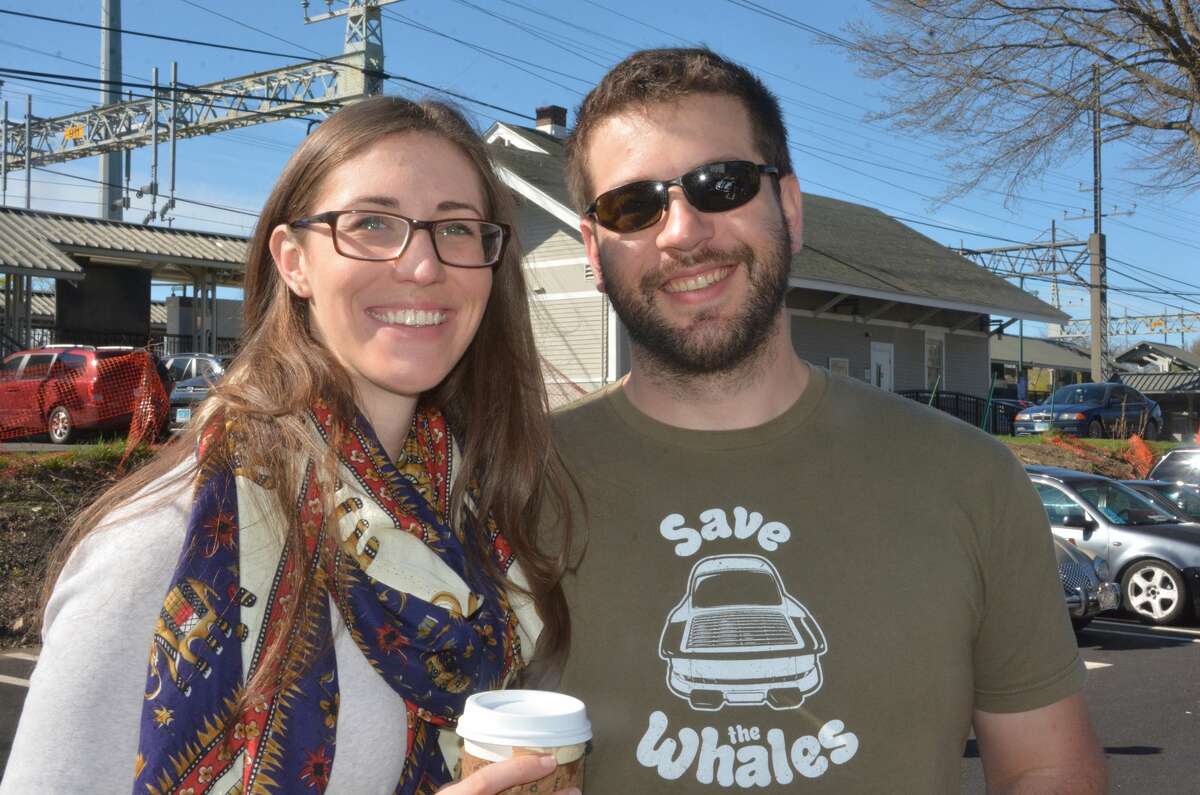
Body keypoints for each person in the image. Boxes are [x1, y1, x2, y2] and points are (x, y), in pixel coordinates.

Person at [550, 48, 1107, 793]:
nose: (682, 232)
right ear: (593, 248)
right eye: (632, 206)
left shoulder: (971, 478)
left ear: (789, 207)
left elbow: (1047, 767)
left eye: (723, 184)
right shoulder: (517, 480)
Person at [2, 96, 576, 795]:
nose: (424, 266)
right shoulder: (169, 542)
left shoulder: (470, 518)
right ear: (294, 261)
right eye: (371, 223)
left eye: (456, 228)